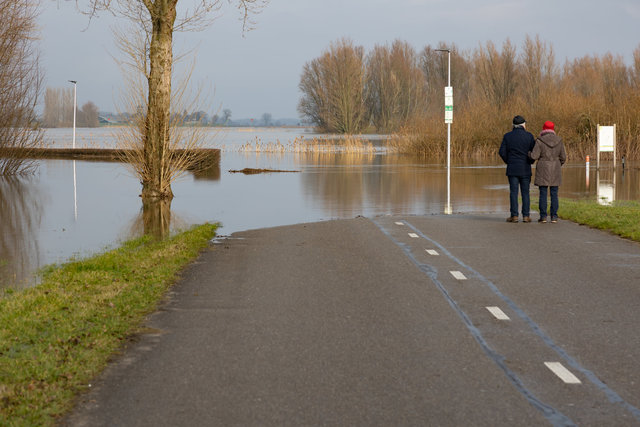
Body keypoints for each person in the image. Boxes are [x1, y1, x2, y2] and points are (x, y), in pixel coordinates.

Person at [499, 115, 536, 223]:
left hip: (512, 168)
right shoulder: (529, 136)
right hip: (525, 168)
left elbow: (501, 152)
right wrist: (530, 161)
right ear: (523, 125)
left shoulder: (507, 136)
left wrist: (508, 161)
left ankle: (514, 215)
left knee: (513, 192)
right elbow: (533, 153)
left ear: (513, 125)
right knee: (525, 192)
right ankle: (526, 216)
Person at [530, 120, 567, 223]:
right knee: (554, 193)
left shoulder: (539, 141)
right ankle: (554, 217)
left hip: (543, 168)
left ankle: (543, 217)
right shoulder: (559, 140)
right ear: (553, 129)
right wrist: (558, 164)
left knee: (543, 193)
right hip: (555, 168)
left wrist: (528, 153)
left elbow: (534, 156)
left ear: (543, 129)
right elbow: (563, 157)